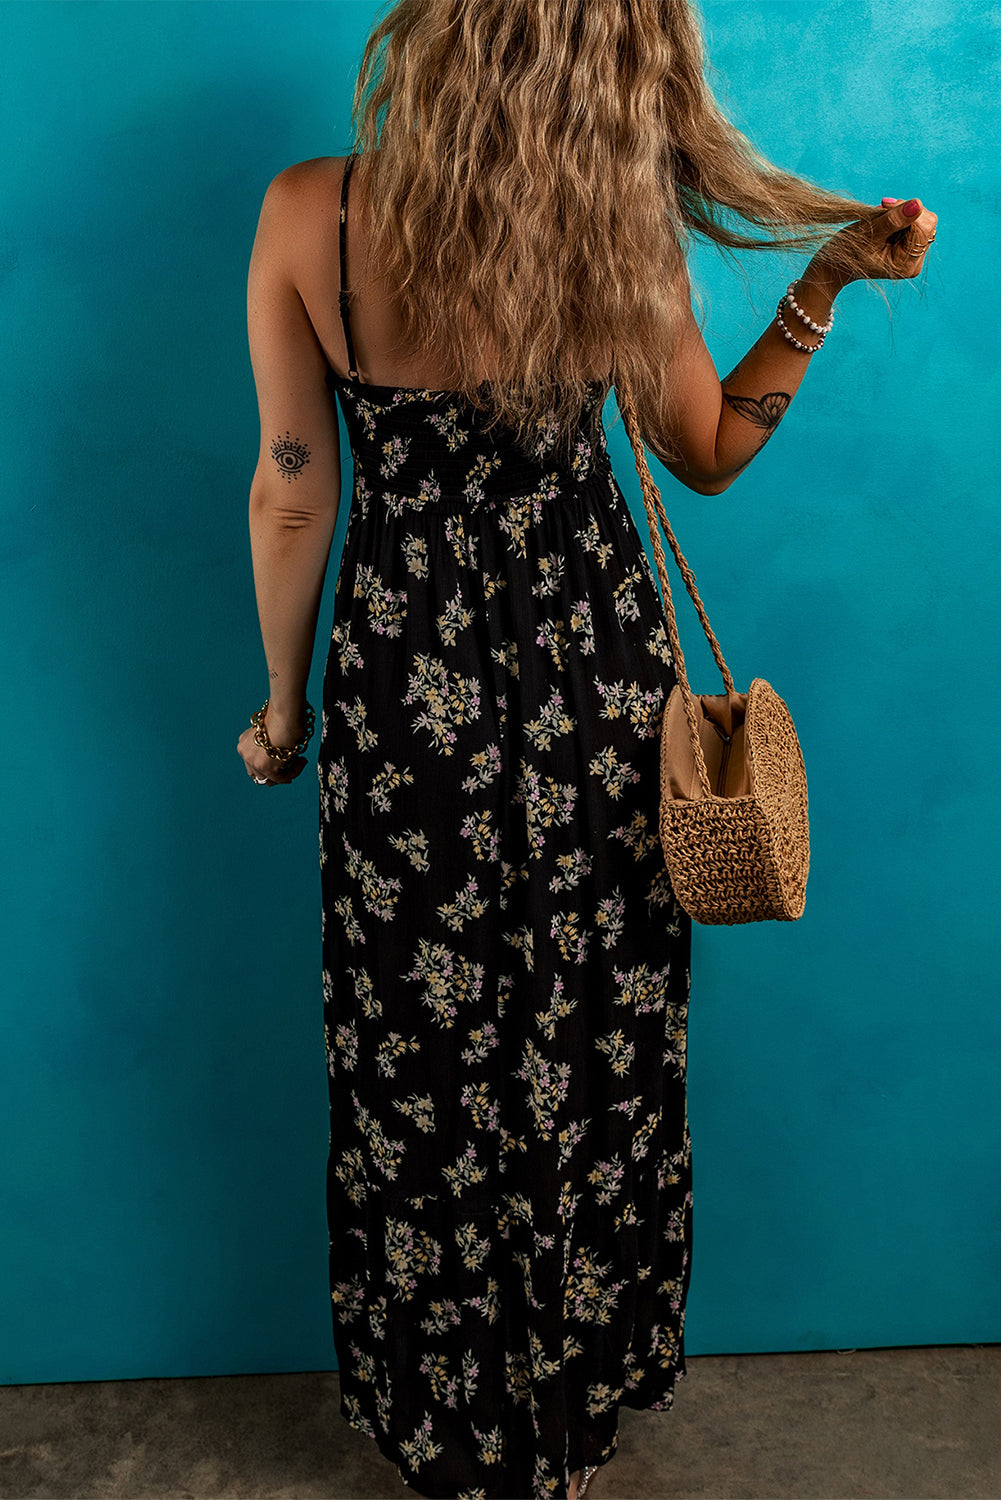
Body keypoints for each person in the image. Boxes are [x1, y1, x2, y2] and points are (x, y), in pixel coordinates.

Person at [236, 4, 936, 1496]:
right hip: (591, 692)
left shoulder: (310, 213)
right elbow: (708, 453)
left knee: (421, 1054)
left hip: (406, 696)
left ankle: (455, 1428)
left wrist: (284, 714)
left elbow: (293, 492)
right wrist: (818, 285)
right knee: (587, 1037)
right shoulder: (614, 233)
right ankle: (568, 1423)